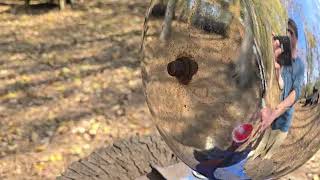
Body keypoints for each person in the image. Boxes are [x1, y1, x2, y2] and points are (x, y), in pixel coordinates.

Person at [250, 18, 305, 160]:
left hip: (283, 122)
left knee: (269, 154)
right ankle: (256, 156)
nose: (287, 36)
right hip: (272, 118)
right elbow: (281, 85)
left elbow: (295, 93)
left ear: (296, 39)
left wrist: (274, 113)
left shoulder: (299, 65)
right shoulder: (283, 61)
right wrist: (278, 71)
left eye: (290, 33)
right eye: (285, 32)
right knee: (259, 148)